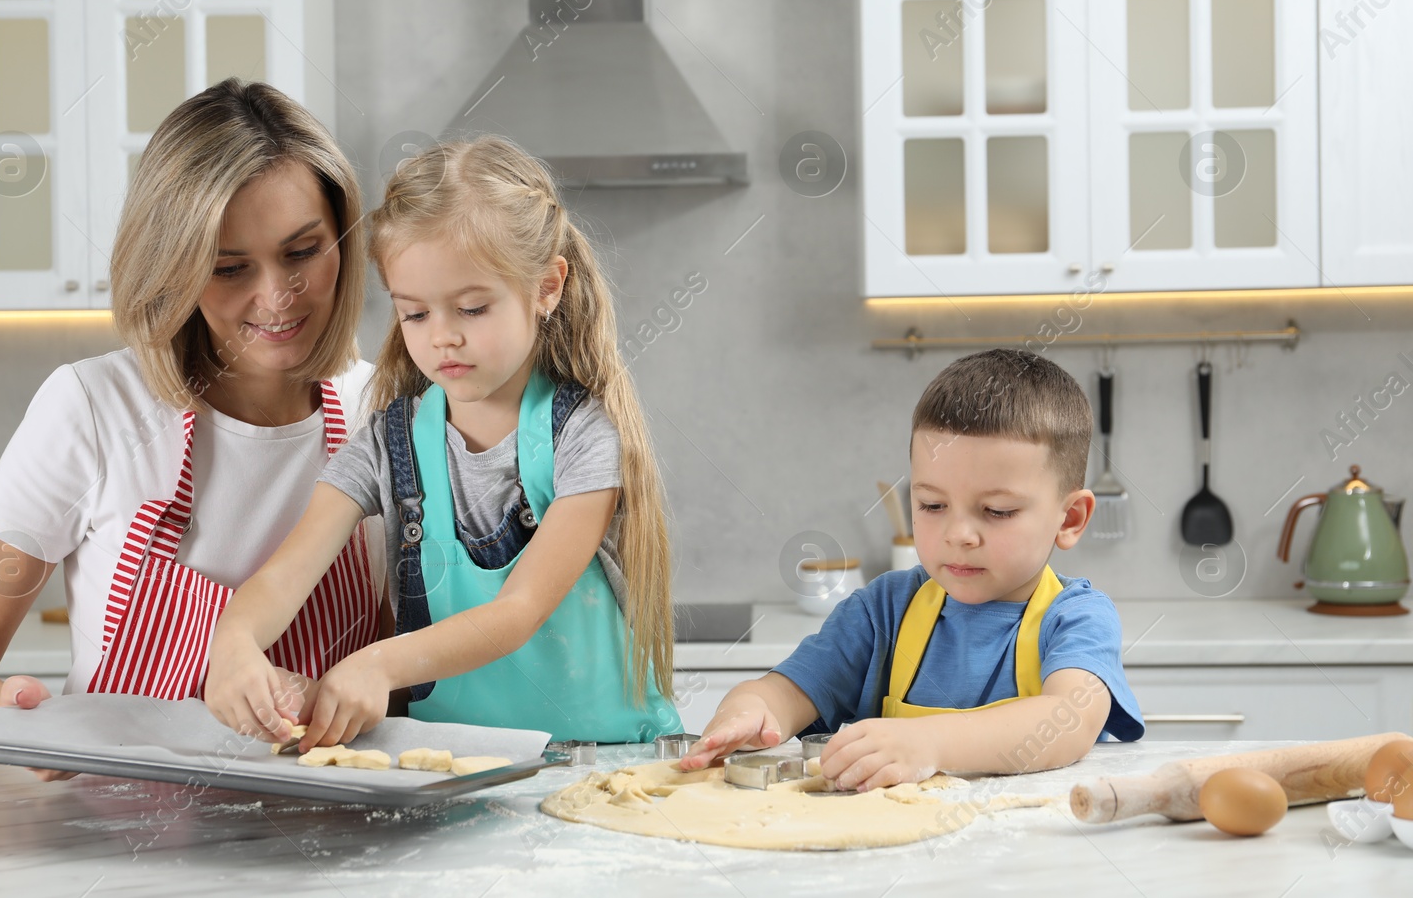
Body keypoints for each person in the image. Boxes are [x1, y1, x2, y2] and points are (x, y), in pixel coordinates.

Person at [0, 80, 388, 776]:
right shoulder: (91, 408)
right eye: (229, 268)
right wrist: (15, 709)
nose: (276, 295)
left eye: (302, 251)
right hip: (121, 845)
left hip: (328, 848)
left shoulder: (384, 407)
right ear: (175, 265)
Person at [206, 135, 682, 748]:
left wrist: (379, 663)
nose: (443, 339)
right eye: (416, 314)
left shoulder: (583, 438)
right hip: (456, 770)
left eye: (472, 309)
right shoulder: (387, 443)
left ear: (546, 288)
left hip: (606, 762)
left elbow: (517, 613)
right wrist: (234, 643)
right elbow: (282, 578)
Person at [679, 348, 1144, 790]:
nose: (958, 533)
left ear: (1070, 519)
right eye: (932, 504)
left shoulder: (1076, 617)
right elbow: (784, 693)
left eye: (997, 510)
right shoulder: (882, 612)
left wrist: (931, 743)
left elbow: (1067, 720)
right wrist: (749, 709)